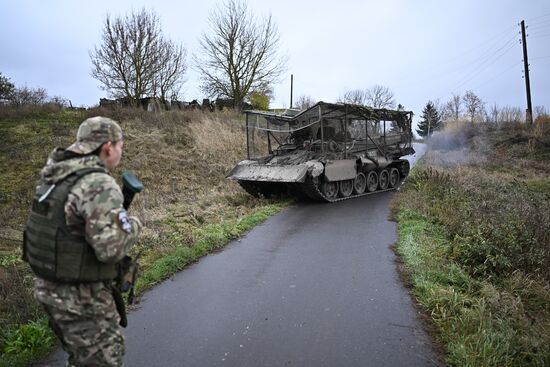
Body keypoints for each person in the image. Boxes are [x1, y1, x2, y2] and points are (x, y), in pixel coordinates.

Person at [23, 116, 141, 366]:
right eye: (121, 146)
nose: (121, 152)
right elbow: (110, 249)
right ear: (108, 146)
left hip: (50, 291)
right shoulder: (96, 183)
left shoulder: (54, 175)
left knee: (80, 358)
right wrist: (134, 225)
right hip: (82, 298)